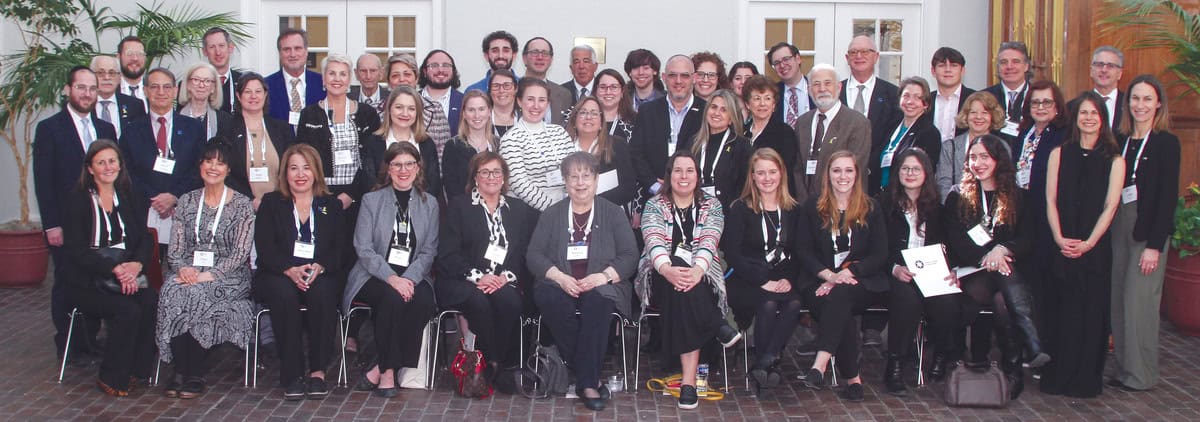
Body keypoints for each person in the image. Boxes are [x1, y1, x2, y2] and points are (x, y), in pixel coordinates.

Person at [529, 152, 638, 411]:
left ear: (596, 179)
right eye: (573, 177)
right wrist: (560, 277)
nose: (580, 182)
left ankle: (584, 380)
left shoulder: (613, 213)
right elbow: (533, 255)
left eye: (586, 176)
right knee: (548, 297)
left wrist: (602, 276)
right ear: (565, 182)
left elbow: (630, 256)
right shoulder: (552, 214)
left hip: (603, 283)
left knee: (598, 304)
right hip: (560, 282)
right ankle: (587, 376)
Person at [942, 135, 1048, 400]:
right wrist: (988, 256)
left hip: (1007, 269)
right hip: (973, 272)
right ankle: (1029, 345)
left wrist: (1003, 249)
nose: (978, 163)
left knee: (1002, 299)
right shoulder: (958, 198)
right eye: (973, 157)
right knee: (1001, 280)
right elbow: (956, 240)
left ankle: (1012, 371)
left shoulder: (1018, 196)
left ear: (998, 160)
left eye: (985, 157)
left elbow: (1027, 238)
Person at [634, 152, 741, 410]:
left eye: (689, 171)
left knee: (685, 289)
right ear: (669, 175)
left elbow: (710, 240)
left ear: (697, 176)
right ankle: (716, 325)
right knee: (680, 274)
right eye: (678, 171)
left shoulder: (712, 205)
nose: (684, 176)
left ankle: (689, 383)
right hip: (659, 275)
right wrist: (667, 268)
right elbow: (653, 239)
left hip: (701, 276)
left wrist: (697, 271)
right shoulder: (655, 204)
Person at [1040, 92, 1124, 398]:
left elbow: (1111, 206)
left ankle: (1085, 379)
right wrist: (1059, 237)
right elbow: (1049, 199)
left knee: (1090, 314)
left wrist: (1088, 243)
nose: (1088, 118)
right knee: (1061, 313)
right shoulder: (1059, 154)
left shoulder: (1114, 160)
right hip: (1061, 244)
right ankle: (1059, 375)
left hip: (1094, 249)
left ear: (1103, 119)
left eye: (1094, 113)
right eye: (1083, 113)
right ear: (1075, 119)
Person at [157, 140, 255, 399]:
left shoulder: (242, 205)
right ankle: (180, 369)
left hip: (229, 275)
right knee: (172, 291)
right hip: (189, 270)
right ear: (200, 165)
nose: (213, 167)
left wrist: (209, 275)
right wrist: (182, 269)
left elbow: (240, 254)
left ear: (228, 169)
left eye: (220, 162)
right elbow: (175, 250)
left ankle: (193, 371)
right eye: (208, 161)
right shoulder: (187, 202)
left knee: (199, 294)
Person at [60, 140, 156, 396]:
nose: (108, 167)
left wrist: (136, 265)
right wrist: (115, 270)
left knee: (149, 300)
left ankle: (137, 369)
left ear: (120, 165)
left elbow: (144, 238)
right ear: (90, 168)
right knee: (127, 310)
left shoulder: (129, 195)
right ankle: (111, 376)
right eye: (100, 162)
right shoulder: (77, 201)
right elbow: (76, 252)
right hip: (87, 281)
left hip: (124, 272)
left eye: (112, 161)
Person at [34, 67, 118, 359]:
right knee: (69, 282)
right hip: (66, 224)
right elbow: (43, 181)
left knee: (93, 280)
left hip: (99, 222)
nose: (87, 94)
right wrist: (52, 224)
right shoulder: (49, 129)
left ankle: (89, 338)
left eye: (92, 88)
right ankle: (68, 345)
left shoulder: (106, 129)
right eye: (81, 88)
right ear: (68, 90)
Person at [793, 151, 888, 402]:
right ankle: (852, 378)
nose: (842, 176)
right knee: (840, 301)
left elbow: (880, 254)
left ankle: (819, 365)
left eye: (848, 170)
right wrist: (829, 276)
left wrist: (848, 272)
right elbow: (802, 250)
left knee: (842, 293)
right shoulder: (812, 207)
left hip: (861, 280)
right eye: (836, 170)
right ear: (828, 175)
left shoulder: (871, 207)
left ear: (857, 175)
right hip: (818, 281)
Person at [345, 142, 439, 398]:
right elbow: (363, 248)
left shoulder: (430, 203)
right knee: (391, 298)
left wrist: (407, 278)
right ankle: (387, 374)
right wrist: (392, 278)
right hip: (374, 274)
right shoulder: (371, 201)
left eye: (409, 164)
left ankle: (381, 366)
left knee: (423, 302)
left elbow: (429, 251)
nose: (403, 169)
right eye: (397, 164)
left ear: (418, 168)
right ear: (388, 168)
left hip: (413, 274)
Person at [253, 143, 346, 400]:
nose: (300, 174)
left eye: (306, 168)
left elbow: (340, 248)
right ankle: (292, 373)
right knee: (284, 295)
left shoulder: (330, 205)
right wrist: (288, 269)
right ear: (285, 173)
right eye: (294, 168)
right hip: (278, 273)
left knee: (324, 293)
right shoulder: (272, 203)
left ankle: (317, 372)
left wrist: (321, 265)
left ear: (316, 171)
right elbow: (265, 248)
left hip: (319, 273)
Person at [1109, 74, 1181, 392]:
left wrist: (1155, 245)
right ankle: (1124, 369)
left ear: (1158, 104)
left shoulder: (1167, 142)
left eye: (1147, 99)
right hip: (1118, 223)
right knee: (1118, 300)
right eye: (1135, 99)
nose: (1140, 105)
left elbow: (1167, 197)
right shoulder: (1119, 139)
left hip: (1147, 229)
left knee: (1139, 302)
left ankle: (1142, 374)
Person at [438, 152, 538, 372]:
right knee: (479, 302)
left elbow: (522, 251)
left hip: (501, 279)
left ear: (504, 178)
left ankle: (499, 361)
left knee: (511, 303)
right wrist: (479, 277)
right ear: (475, 177)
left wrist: (504, 277)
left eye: (496, 172)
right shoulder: (459, 206)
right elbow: (448, 254)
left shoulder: (518, 209)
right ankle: (493, 363)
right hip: (462, 279)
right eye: (484, 172)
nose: (491, 177)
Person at [721, 149, 802, 395]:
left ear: (781, 174)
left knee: (794, 303)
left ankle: (764, 364)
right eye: (761, 173)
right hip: (746, 279)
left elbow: (801, 252)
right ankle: (769, 367)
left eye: (772, 172)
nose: (767, 178)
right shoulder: (740, 209)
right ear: (752, 177)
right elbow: (733, 254)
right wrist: (762, 280)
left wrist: (788, 278)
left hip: (784, 277)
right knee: (767, 304)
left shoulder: (794, 210)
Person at [877, 148, 953, 395]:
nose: (910, 173)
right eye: (905, 168)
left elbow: (947, 244)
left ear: (926, 174)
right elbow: (877, 246)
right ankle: (895, 364)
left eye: (916, 169)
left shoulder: (938, 208)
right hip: (898, 271)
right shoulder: (883, 204)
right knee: (907, 301)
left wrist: (947, 270)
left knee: (948, 301)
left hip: (930, 271)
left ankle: (941, 356)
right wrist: (894, 268)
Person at [118, 68, 206, 249]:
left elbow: (198, 169)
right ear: (145, 91)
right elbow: (127, 171)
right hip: (144, 210)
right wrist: (155, 198)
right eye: (155, 87)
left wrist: (174, 196)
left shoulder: (193, 128)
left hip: (183, 209)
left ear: (175, 91)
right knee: (150, 269)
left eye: (167, 87)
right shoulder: (131, 131)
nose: (161, 92)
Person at [296, 53, 382, 215]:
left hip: (359, 194)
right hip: (320, 193)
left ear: (349, 80)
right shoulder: (309, 114)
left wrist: (351, 193)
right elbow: (304, 157)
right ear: (323, 79)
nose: (337, 79)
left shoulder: (367, 113)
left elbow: (373, 160)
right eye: (331, 73)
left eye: (343, 74)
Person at [629, 55, 707, 201]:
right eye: (672, 75)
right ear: (664, 77)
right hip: (654, 198)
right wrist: (655, 186)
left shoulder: (706, 112)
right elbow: (636, 154)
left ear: (694, 78)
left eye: (684, 75)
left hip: (696, 198)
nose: (678, 81)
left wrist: (689, 188)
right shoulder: (647, 111)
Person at [792, 64, 871, 202]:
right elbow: (797, 168)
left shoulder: (857, 123)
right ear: (809, 90)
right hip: (806, 208)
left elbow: (856, 169)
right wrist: (805, 204)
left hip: (842, 205)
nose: (822, 89)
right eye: (816, 84)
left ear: (839, 87)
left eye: (828, 83)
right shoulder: (802, 122)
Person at [221, 72, 296, 208]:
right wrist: (250, 200)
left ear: (265, 95)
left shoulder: (281, 129)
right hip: (240, 205)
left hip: (279, 205)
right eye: (247, 92)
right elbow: (224, 172)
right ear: (238, 96)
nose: (253, 96)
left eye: (258, 91)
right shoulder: (228, 129)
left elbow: (291, 166)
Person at [499, 78, 574, 211]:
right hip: (527, 212)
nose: (536, 106)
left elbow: (574, 170)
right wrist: (553, 210)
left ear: (548, 103)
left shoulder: (559, 132)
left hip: (566, 207)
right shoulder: (510, 138)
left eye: (542, 100)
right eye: (530, 99)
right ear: (519, 101)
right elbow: (518, 184)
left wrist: (569, 204)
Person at [868, 76, 941, 195]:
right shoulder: (892, 125)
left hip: (906, 198)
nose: (910, 102)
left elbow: (923, 172)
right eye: (906, 96)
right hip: (881, 195)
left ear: (926, 104)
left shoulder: (929, 133)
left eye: (917, 97)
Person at [364, 86, 442, 196]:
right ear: (389, 109)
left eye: (411, 108)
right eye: (399, 107)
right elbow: (370, 184)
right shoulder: (373, 142)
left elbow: (434, 186)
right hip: (382, 209)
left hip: (420, 208)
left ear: (417, 113)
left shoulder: (426, 143)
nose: (405, 113)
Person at [840, 35, 901, 166]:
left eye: (865, 51)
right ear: (847, 58)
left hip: (876, 174)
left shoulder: (893, 94)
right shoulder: (835, 92)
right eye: (853, 52)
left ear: (876, 57)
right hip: (839, 172)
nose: (859, 56)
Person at [936, 91, 1007, 201]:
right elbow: (943, 186)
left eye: (985, 112)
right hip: (957, 211)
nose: (979, 117)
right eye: (973, 112)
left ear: (993, 116)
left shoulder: (1002, 147)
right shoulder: (950, 147)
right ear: (966, 115)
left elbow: (1007, 184)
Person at [570, 96, 637, 208]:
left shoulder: (617, 145)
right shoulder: (563, 145)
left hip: (609, 213)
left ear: (601, 122)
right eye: (583, 112)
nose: (588, 117)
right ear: (574, 120)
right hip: (571, 213)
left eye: (594, 113)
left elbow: (629, 188)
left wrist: (592, 203)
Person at [691, 89, 752, 207]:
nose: (717, 113)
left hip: (729, 214)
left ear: (731, 118)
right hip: (696, 212)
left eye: (724, 110)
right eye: (713, 107)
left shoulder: (742, 147)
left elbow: (746, 187)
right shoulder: (693, 143)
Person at [741, 75, 798, 196]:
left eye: (767, 98)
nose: (762, 104)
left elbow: (787, 172)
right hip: (745, 197)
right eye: (757, 98)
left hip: (776, 197)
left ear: (774, 105)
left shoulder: (784, 133)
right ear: (747, 104)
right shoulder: (740, 132)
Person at [442, 90, 498, 201]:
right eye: (471, 110)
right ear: (464, 114)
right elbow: (451, 190)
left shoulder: (498, 144)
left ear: (489, 112)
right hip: (464, 212)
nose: (477, 115)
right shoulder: (453, 146)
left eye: (481, 109)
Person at [265, 29, 326, 128]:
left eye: (297, 48)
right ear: (280, 53)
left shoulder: (322, 83)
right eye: (287, 49)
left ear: (306, 52)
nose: (292, 54)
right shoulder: (266, 85)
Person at [983, 41, 1032, 142]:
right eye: (1004, 62)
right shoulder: (984, 97)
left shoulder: (1037, 97)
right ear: (998, 67)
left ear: (1026, 66)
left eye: (1016, 61)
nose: (1009, 67)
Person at [417, 49, 464, 153]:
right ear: (424, 71)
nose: (440, 70)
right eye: (434, 65)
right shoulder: (413, 101)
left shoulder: (464, 101)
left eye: (446, 65)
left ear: (453, 71)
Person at [520, 37, 573, 125]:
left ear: (551, 60)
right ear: (524, 58)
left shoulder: (564, 94)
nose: (540, 57)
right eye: (535, 52)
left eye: (545, 53)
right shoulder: (513, 90)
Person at [91, 55, 146, 138]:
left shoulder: (135, 105)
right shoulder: (84, 104)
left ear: (120, 77)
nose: (106, 77)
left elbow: (142, 138)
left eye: (112, 73)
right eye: (100, 73)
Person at [1072, 46, 1125, 130]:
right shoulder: (1073, 106)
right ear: (1091, 71)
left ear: (1119, 73)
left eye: (1110, 66)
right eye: (1099, 65)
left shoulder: (1129, 105)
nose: (1104, 70)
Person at [929, 47, 976, 140]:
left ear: (962, 71)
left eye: (954, 65)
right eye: (942, 65)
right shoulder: (925, 101)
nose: (948, 70)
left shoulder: (974, 99)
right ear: (933, 71)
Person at [177, 63, 234, 141]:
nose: (201, 85)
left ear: (213, 87)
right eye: (196, 80)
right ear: (188, 85)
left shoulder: (225, 121)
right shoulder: (175, 119)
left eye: (207, 81)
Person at [767, 42, 814, 126]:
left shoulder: (815, 88)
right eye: (777, 63)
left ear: (798, 59)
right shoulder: (772, 93)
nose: (782, 65)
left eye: (786, 59)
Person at [200, 27, 241, 114]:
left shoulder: (243, 81)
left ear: (230, 48)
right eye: (212, 47)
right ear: (204, 52)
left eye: (221, 46)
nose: (218, 52)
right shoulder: (195, 84)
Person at [592, 69, 636, 141]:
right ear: (595, 91)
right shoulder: (584, 118)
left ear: (622, 92)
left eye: (614, 87)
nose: (608, 92)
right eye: (603, 87)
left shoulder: (636, 121)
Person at [487, 69, 519, 139]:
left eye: (507, 85)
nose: (501, 90)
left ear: (515, 89)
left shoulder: (525, 118)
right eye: (496, 86)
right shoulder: (482, 119)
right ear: (490, 91)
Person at [116, 36, 148, 107]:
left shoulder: (153, 89)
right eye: (129, 53)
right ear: (118, 57)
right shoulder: (110, 90)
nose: (135, 58)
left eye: (140, 54)